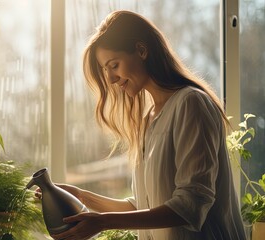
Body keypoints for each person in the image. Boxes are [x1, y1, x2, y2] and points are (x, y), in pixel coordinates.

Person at [42, 10, 247, 240]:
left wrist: (103, 222)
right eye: (105, 70)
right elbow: (142, 207)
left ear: (141, 50)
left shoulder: (191, 103)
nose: (110, 79)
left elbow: (191, 204)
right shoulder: (148, 120)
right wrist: (83, 197)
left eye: (114, 65)